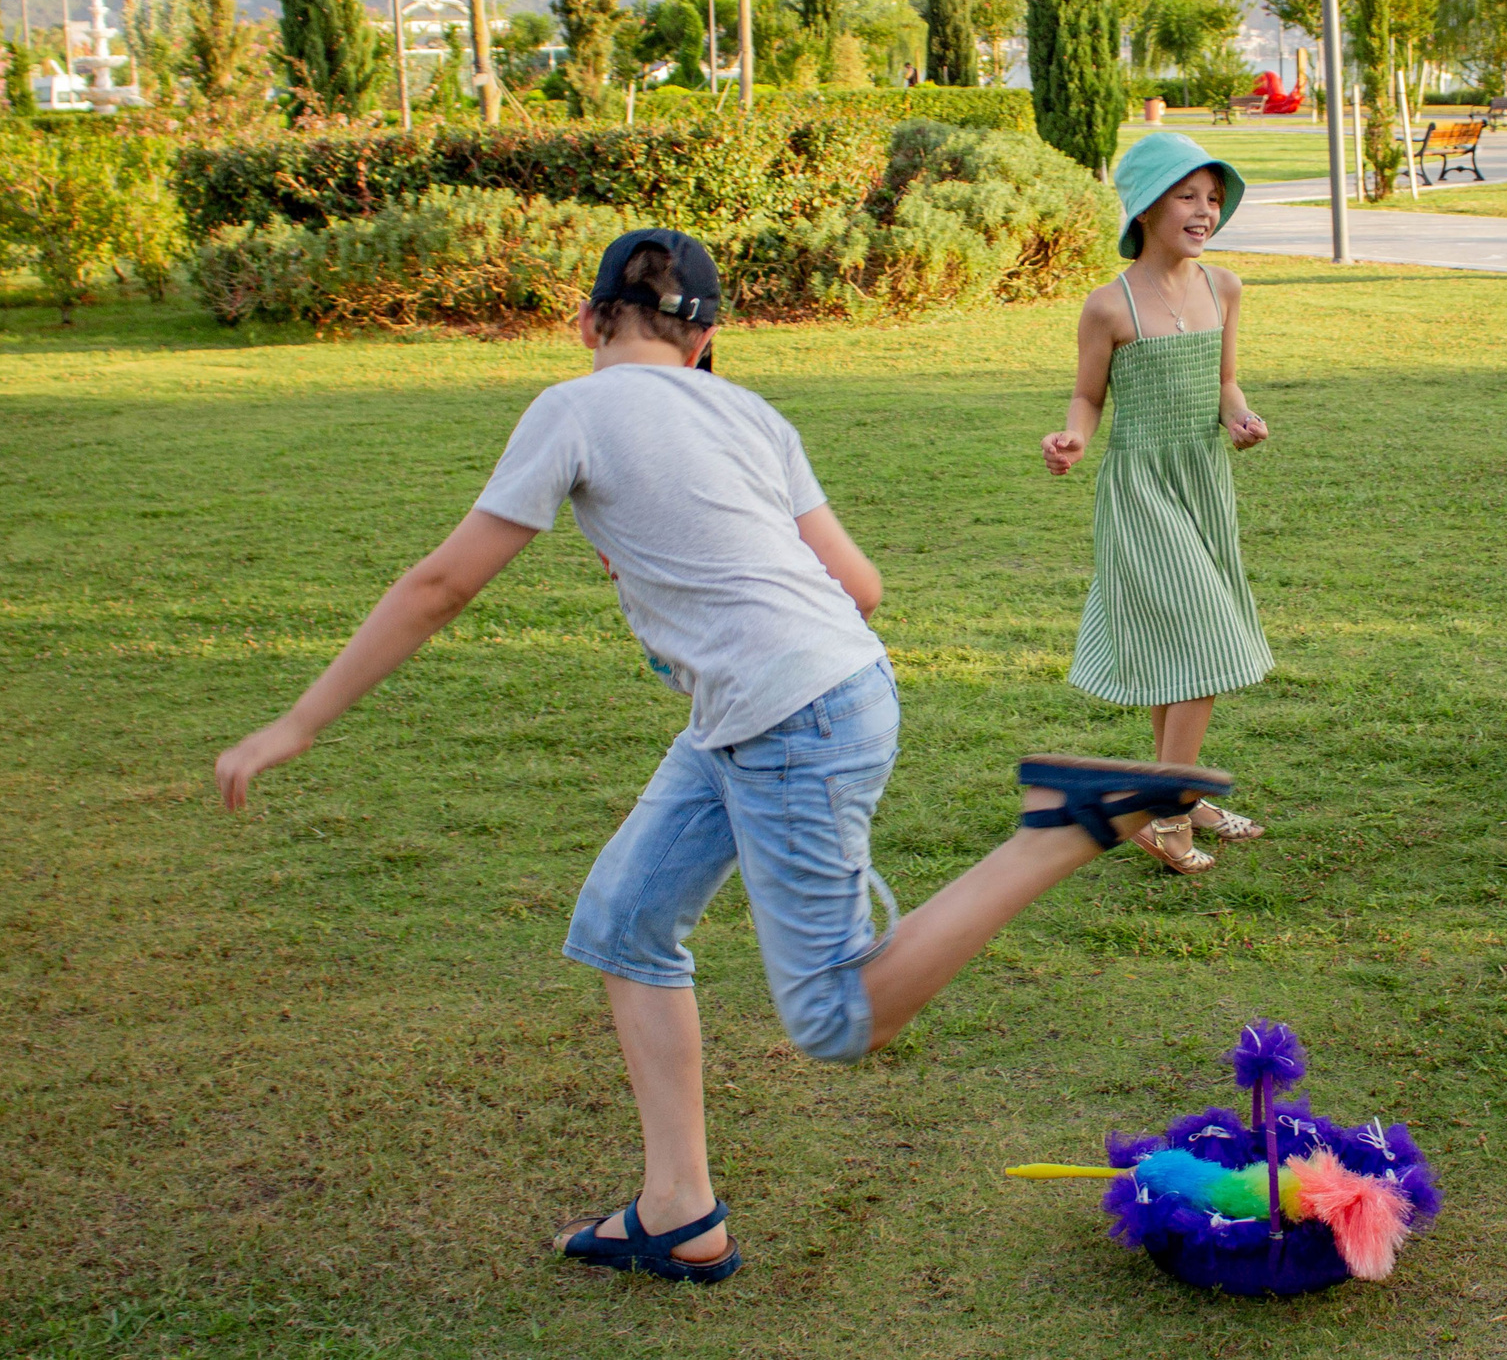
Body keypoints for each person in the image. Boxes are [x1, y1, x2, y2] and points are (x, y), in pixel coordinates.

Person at [213, 228, 1225, 1284]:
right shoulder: (749, 412)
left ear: (589, 322)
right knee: (625, 921)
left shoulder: (574, 406)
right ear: (703, 342)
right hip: (808, 693)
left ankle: (1057, 830)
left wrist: (300, 723)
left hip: (787, 717)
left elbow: (440, 585)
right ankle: (678, 1210)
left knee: (835, 1019)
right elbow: (863, 588)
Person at [1042, 132, 1274, 875]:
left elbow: (1226, 380)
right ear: (1146, 207)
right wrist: (1073, 439)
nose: (1205, 211)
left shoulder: (1224, 288)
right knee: (1205, 643)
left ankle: (1180, 795)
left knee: (1180, 652)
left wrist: (1238, 416)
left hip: (1204, 484)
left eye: (1213, 198)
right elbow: (1086, 396)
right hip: (1141, 491)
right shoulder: (1109, 306)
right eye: (1188, 196)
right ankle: (1170, 810)